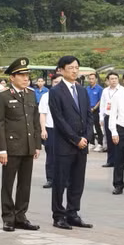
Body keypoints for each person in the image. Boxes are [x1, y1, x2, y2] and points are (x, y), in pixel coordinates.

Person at [0, 58, 41, 233]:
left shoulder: (31, 94)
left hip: (28, 146)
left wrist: (37, 145)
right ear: (12, 77)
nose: (26, 78)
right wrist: (2, 149)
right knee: (8, 184)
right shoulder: (3, 95)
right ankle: (8, 218)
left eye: (27, 75)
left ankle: (21, 216)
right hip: (11, 147)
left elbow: (35, 121)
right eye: (21, 75)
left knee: (25, 184)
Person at [47, 55, 94, 230]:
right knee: (60, 182)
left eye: (76, 68)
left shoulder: (82, 90)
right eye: (70, 68)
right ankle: (58, 215)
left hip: (82, 145)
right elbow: (59, 120)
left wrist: (87, 137)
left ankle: (72, 213)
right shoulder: (55, 92)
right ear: (61, 70)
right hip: (64, 145)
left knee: (77, 181)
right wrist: (75, 139)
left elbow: (88, 116)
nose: (74, 71)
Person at [39, 76, 62, 189]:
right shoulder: (46, 96)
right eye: (55, 82)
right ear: (52, 83)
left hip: (65, 130)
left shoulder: (68, 95)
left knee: (65, 156)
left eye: (60, 82)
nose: (57, 84)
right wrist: (43, 129)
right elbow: (43, 114)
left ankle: (64, 179)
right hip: (51, 129)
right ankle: (50, 179)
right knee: (51, 156)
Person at [99, 72, 121, 169]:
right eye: (112, 79)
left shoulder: (122, 90)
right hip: (108, 116)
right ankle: (110, 160)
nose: (114, 80)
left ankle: (119, 161)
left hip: (118, 117)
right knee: (109, 139)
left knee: (118, 140)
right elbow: (102, 104)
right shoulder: (105, 91)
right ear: (108, 80)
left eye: (115, 78)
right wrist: (101, 117)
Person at [86, 74, 103, 152]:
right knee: (89, 127)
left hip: (96, 110)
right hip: (88, 109)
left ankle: (100, 143)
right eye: (89, 79)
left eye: (92, 79)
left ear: (96, 79)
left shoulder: (100, 89)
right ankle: (92, 142)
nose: (91, 80)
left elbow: (100, 100)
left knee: (97, 127)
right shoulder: (87, 88)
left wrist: (94, 108)